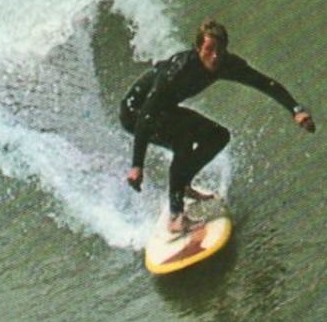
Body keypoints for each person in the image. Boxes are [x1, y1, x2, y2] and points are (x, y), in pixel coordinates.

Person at [121, 20, 316, 233]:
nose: (215, 56)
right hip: (136, 113)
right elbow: (148, 114)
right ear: (198, 49)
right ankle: (176, 217)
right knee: (183, 141)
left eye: (220, 50)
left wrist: (296, 110)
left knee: (218, 135)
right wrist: (137, 165)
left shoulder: (225, 64)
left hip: (163, 110)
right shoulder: (177, 70)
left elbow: (264, 83)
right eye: (209, 50)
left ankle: (182, 184)